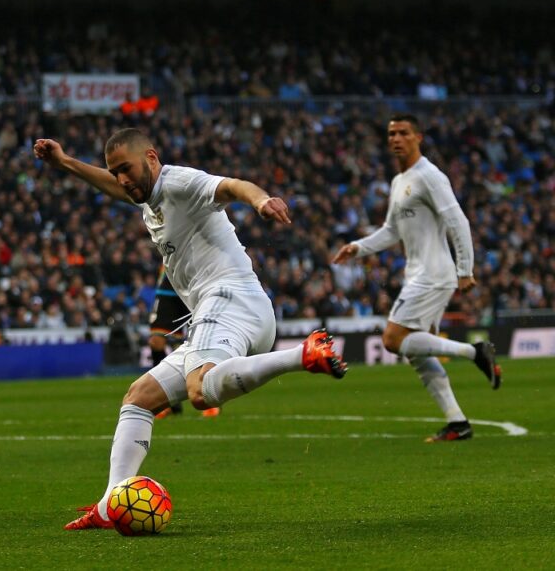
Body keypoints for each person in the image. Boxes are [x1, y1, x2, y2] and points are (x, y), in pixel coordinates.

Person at [34, 129, 347, 531]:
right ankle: (112, 503)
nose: (122, 179)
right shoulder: (149, 198)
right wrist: (65, 163)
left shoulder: (181, 182)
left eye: (126, 169)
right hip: (232, 309)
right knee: (139, 398)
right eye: (116, 172)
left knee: (200, 392)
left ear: (150, 157)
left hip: (228, 299)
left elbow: (232, 186)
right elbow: (116, 188)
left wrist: (261, 200)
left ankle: (302, 354)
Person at [332, 114, 500, 442]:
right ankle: (458, 423)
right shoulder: (399, 181)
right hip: (418, 274)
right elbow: (391, 230)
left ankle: (476, 352)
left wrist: (466, 269)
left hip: (434, 273)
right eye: (391, 133)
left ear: (417, 137)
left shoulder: (430, 176)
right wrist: (358, 247)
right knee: (418, 354)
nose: (395, 138)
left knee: (392, 339)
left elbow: (458, 221)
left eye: (403, 133)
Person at [146, 268, 218, 419]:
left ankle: (211, 400)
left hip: (198, 279)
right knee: (156, 341)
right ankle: (169, 404)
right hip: (169, 281)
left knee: (203, 339)